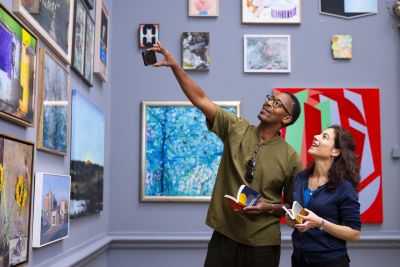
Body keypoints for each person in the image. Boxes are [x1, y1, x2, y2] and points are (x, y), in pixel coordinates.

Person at [150, 41, 302, 267]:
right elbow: (201, 99)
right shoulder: (235, 128)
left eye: (277, 103)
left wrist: (269, 207)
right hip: (224, 237)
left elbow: (295, 209)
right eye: (269, 99)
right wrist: (175, 65)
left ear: (286, 119)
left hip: (263, 244)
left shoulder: (290, 157)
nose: (268, 103)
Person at [286, 125, 361, 267]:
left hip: (330, 262)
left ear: (335, 151)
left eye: (324, 136)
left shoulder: (344, 187)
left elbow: (354, 234)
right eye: (319, 134)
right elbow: (293, 220)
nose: (316, 136)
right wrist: (291, 218)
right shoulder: (300, 178)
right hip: (298, 259)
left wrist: (320, 223)